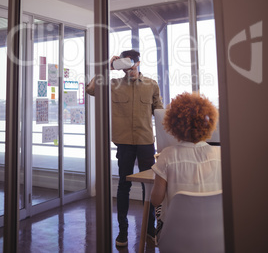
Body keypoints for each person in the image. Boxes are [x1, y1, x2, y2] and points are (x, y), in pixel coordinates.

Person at [86, 49, 163, 247]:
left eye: (131, 64)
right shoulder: (113, 84)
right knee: (123, 185)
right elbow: (91, 89)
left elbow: (160, 113)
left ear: (138, 63)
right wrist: (106, 67)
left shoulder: (151, 85)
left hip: (146, 141)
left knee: (149, 185)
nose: (129, 69)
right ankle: (122, 231)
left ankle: (150, 228)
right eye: (124, 65)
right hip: (124, 142)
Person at [150, 92, 222, 238]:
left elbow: (155, 200)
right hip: (215, 234)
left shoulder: (167, 156)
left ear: (174, 125)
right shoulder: (220, 155)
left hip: (177, 236)